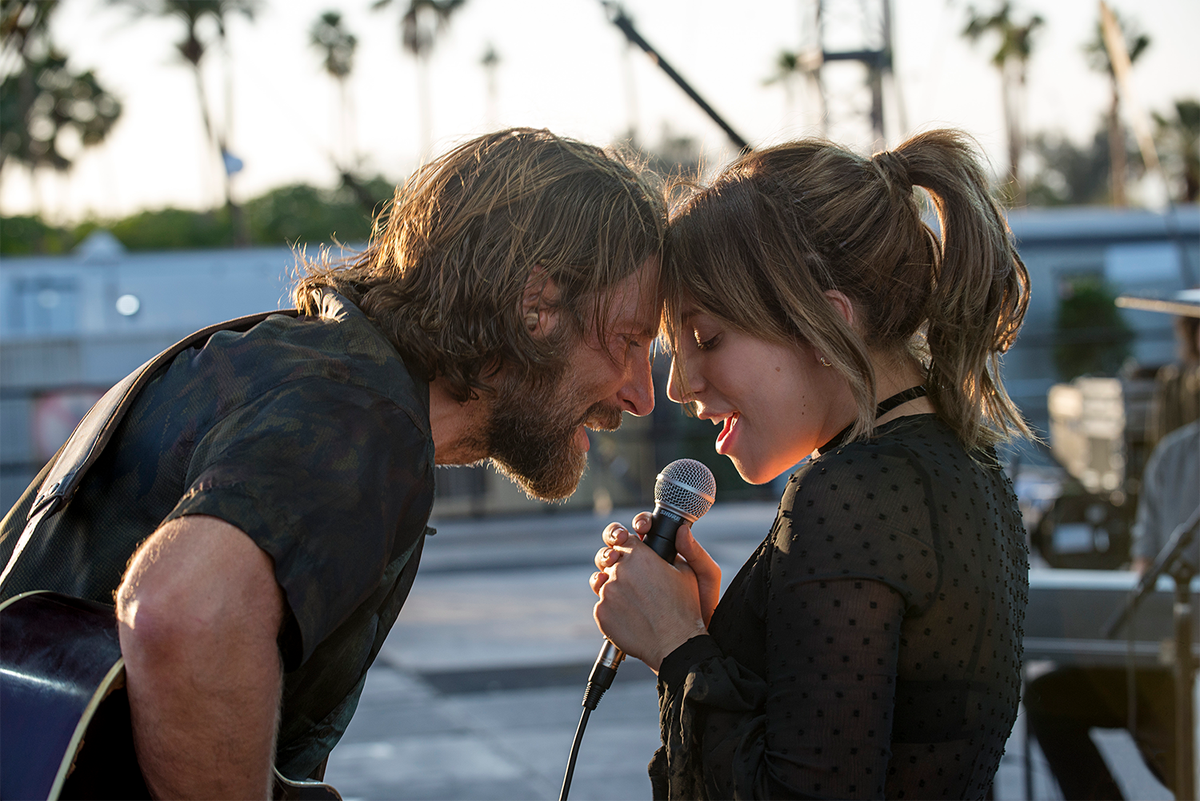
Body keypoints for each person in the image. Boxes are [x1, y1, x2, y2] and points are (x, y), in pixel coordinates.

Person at [0, 128, 665, 801]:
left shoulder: (294, 366)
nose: (641, 393)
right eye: (628, 340)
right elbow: (184, 612)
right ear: (537, 306)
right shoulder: (360, 418)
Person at [589, 129, 1031, 800]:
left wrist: (679, 648)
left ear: (828, 324)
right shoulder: (967, 468)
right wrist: (711, 632)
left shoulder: (848, 491)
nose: (678, 385)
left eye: (707, 338)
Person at [1025, 383, 1200, 800]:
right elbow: (1146, 569)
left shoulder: (1175, 453)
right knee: (1049, 698)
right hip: (1168, 668)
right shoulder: (1176, 455)